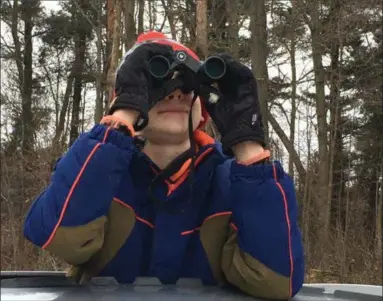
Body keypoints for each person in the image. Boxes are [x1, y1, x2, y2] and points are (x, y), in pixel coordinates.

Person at [23, 31, 304, 300]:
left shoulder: (237, 182)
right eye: (158, 85)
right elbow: (58, 236)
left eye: (187, 86)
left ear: (203, 106)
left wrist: (247, 143)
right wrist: (123, 115)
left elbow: (276, 282)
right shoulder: (98, 166)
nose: (175, 94)